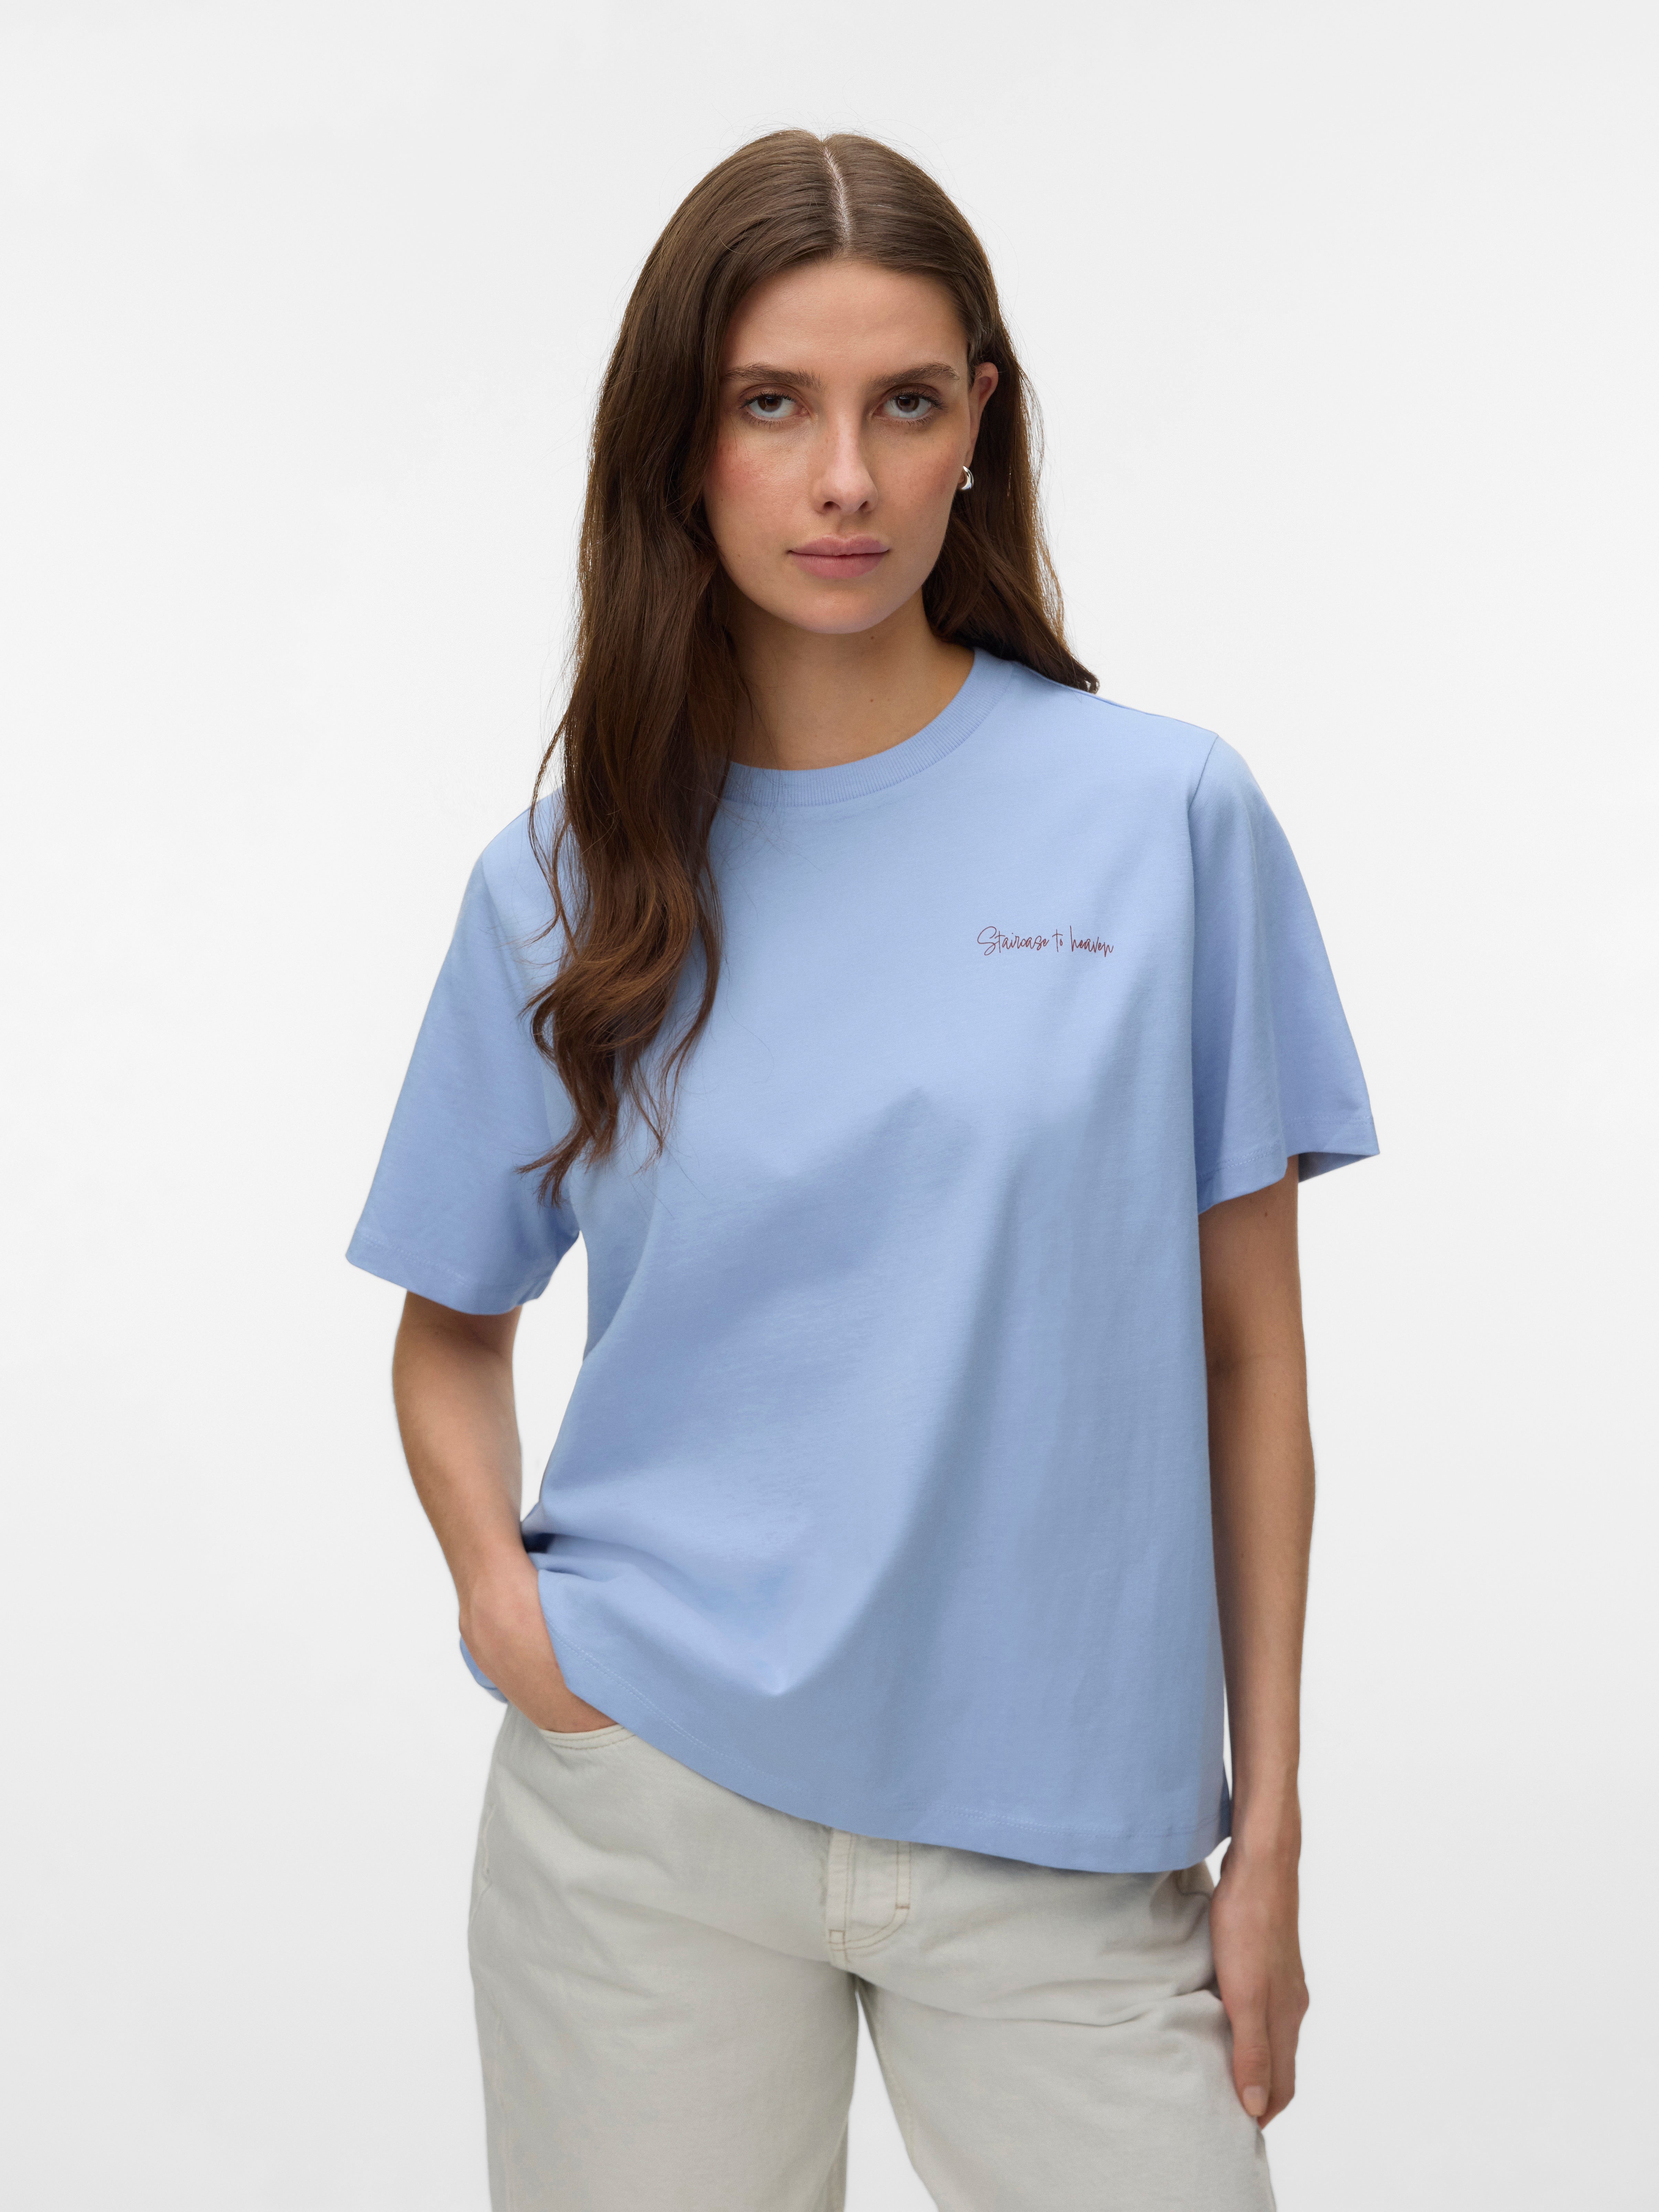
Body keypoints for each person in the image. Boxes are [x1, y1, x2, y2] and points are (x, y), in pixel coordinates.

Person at [347, 128, 1377, 2212]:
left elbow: (1249, 1359)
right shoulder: (561, 884)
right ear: (682, 440)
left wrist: (1265, 1833)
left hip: (1065, 1834)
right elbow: (449, 1327)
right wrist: (512, 1620)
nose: (845, 480)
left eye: (904, 404)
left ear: (979, 425)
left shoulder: (1164, 821)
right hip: (650, 1817)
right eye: (771, 406)